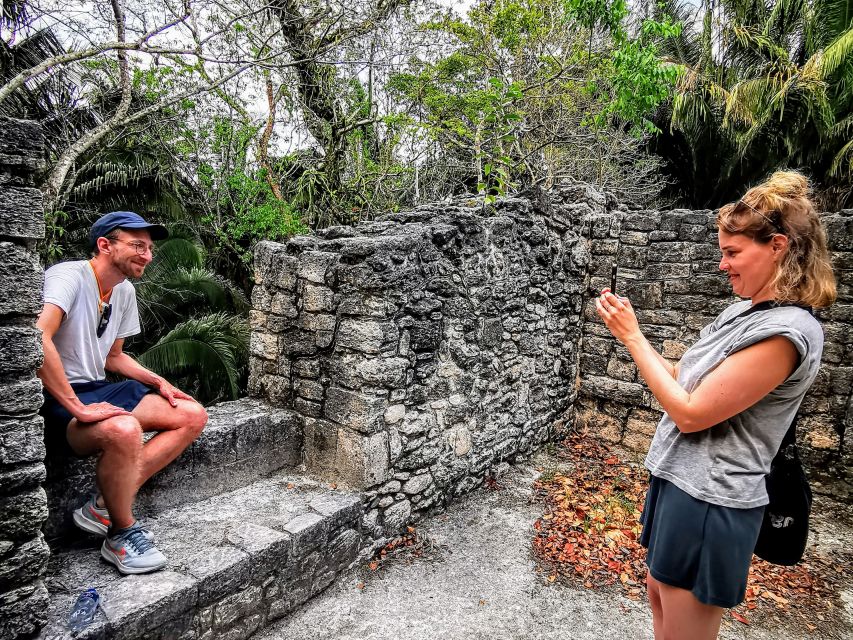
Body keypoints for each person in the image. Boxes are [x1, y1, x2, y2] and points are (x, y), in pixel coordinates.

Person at [596, 171, 836, 639]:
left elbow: (689, 413)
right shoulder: (743, 312)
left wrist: (632, 336)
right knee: (658, 595)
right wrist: (632, 335)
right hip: (679, 481)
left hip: (712, 498)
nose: (722, 265)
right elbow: (683, 382)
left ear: (778, 246)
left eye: (732, 253)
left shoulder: (788, 333)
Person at [38, 211, 208, 575]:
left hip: (96, 387)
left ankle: (101, 505)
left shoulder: (124, 291)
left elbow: (113, 356)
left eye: (149, 248)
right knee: (125, 429)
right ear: (104, 245)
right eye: (136, 245)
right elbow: (38, 338)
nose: (147, 255)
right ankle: (121, 533)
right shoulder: (68, 277)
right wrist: (77, 408)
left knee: (192, 415)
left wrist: (157, 380)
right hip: (53, 396)